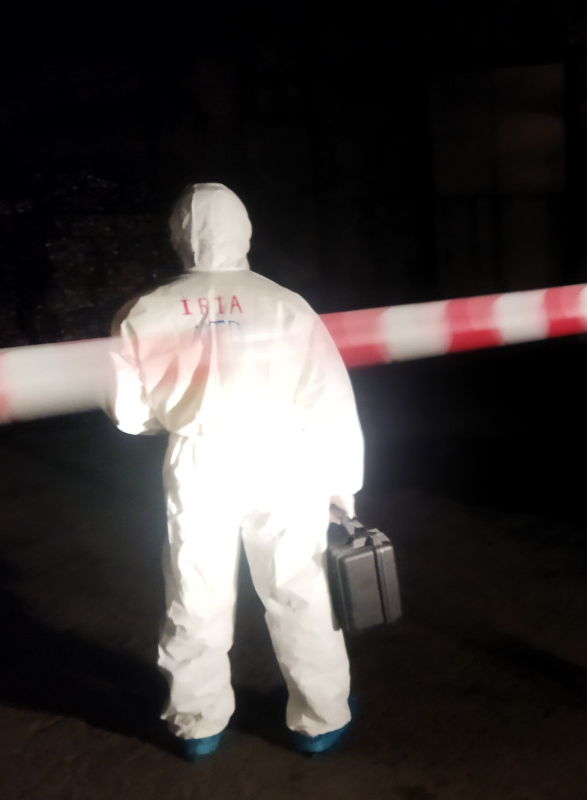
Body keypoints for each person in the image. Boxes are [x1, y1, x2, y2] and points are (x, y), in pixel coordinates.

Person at [107, 183, 364, 761]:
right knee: (300, 589)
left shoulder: (144, 312)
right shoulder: (284, 304)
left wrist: (174, 417)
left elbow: (127, 412)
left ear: (178, 236)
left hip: (199, 461)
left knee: (194, 592)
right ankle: (320, 719)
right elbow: (328, 397)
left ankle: (198, 724)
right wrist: (341, 483)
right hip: (283, 456)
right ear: (244, 230)